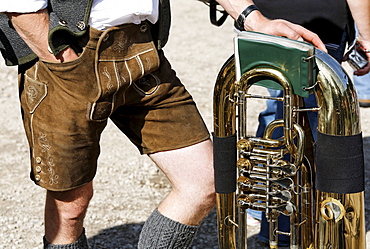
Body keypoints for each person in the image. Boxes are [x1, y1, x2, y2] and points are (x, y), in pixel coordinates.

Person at [0, 0, 365, 248]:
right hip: (70, 51)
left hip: (141, 48)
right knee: (72, 205)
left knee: (205, 179)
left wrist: (256, 18)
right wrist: (60, 58)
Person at [229, 0, 370, 246]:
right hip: (320, 26)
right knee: (309, 123)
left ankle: (266, 211)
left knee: (278, 111)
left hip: (266, 18)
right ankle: (287, 231)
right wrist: (367, 36)